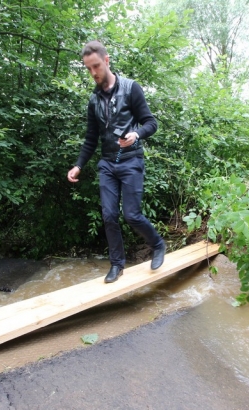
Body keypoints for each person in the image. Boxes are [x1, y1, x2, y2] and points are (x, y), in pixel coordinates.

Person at [67, 40, 166, 283]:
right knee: (109, 216)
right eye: (88, 68)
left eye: (96, 66)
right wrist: (79, 165)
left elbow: (151, 123)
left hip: (131, 161)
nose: (93, 73)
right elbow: (91, 139)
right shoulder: (93, 101)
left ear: (107, 60)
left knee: (131, 215)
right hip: (107, 165)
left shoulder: (131, 88)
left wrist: (136, 135)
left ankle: (158, 245)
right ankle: (117, 264)